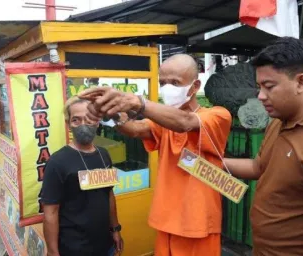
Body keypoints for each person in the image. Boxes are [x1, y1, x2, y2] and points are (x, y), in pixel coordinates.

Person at [79, 54, 232, 256]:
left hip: (198, 224)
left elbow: (185, 122)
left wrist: (139, 103)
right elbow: (135, 129)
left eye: (175, 82)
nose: (167, 88)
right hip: (166, 220)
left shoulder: (217, 115)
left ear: (195, 86)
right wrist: (112, 113)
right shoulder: (164, 121)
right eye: (163, 83)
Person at [223, 37, 303, 255]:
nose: (260, 96)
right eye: (259, 87)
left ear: (301, 83)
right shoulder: (277, 120)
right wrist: (211, 162)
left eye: (269, 87)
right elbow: (259, 167)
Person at [41, 97, 123, 256]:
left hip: (105, 245)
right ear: (68, 124)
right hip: (74, 249)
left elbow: (109, 194)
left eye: (89, 118)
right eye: (76, 120)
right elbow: (50, 211)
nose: (83, 125)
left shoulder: (104, 155)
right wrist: (52, 252)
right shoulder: (57, 162)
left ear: (97, 121)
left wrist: (115, 229)